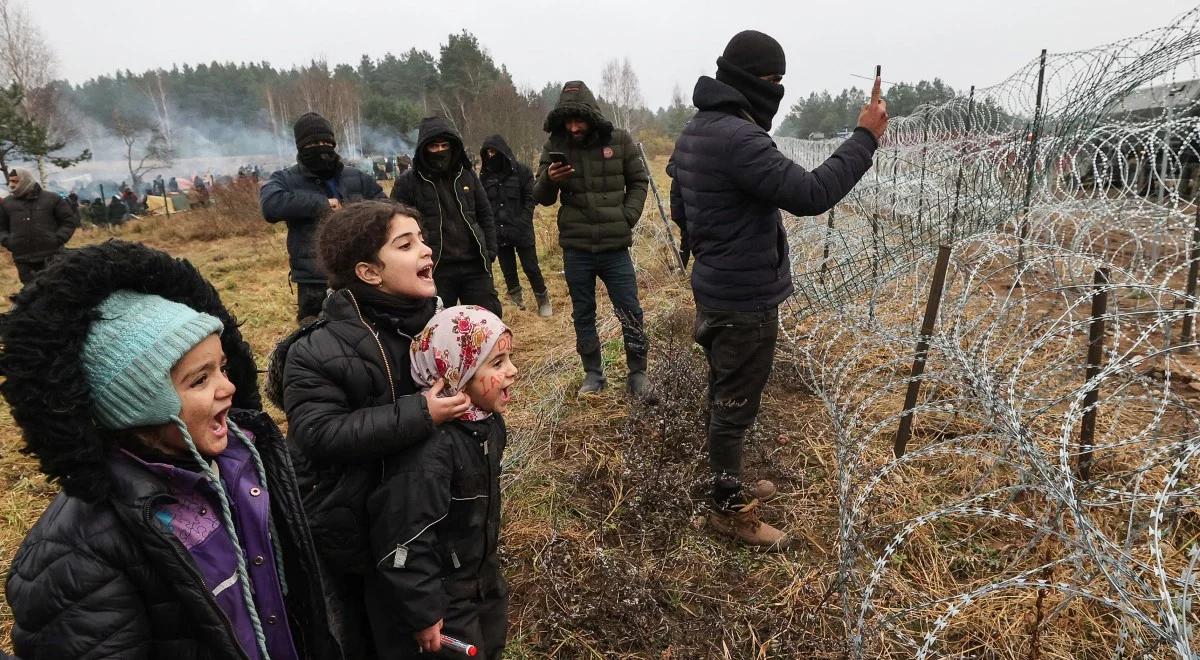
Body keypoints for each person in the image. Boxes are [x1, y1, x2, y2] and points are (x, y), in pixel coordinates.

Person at [0, 240, 340, 659]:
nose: (229, 387)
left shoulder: (246, 463)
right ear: (137, 404)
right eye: (199, 380)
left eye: (224, 368)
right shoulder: (78, 551)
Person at [669, 30, 888, 547]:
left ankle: (729, 483)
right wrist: (864, 138)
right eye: (772, 82)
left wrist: (716, 246)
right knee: (733, 406)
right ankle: (729, 511)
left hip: (719, 287)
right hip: (743, 300)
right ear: (751, 82)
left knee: (726, 395)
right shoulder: (739, 138)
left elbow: (682, 208)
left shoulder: (698, 129)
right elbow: (811, 194)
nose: (777, 91)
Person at [270, 200, 469, 659]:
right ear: (368, 272)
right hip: (346, 531)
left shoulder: (438, 327)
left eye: (421, 238)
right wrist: (421, 413)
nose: (426, 250)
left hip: (417, 520)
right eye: (406, 244)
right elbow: (319, 433)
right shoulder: (317, 349)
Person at [366, 305, 516, 658]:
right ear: (455, 373)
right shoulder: (430, 452)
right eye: (497, 364)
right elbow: (406, 536)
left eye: (509, 358)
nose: (512, 371)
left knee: (492, 645)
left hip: (482, 578)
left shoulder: (488, 424)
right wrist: (423, 612)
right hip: (444, 598)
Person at [533, 81, 651, 398]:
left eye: (579, 120)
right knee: (583, 313)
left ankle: (638, 373)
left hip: (615, 248)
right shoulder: (554, 146)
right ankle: (593, 374)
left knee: (630, 311)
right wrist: (549, 179)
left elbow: (639, 181)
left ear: (591, 115)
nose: (574, 127)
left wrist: (627, 216)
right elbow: (541, 198)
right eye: (568, 121)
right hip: (577, 248)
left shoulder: (620, 141)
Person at [261, 112, 386, 324]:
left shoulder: (357, 177)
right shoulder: (286, 179)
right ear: (301, 147)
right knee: (314, 337)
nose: (321, 148)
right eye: (313, 144)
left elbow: (387, 206)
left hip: (359, 273)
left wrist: (358, 212)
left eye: (326, 142)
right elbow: (270, 205)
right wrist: (322, 205)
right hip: (313, 281)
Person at [390, 117, 501, 317]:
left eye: (445, 145)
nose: (440, 151)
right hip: (435, 266)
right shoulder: (408, 182)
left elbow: (485, 214)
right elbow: (395, 226)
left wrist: (490, 250)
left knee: (487, 319)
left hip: (475, 264)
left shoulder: (467, 175)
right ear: (424, 149)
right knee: (437, 325)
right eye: (434, 146)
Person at [479, 134, 551, 317]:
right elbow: (483, 205)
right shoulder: (485, 177)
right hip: (499, 233)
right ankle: (517, 302)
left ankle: (543, 299)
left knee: (531, 267)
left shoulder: (522, 171)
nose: (491, 156)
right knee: (508, 270)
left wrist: (524, 221)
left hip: (522, 230)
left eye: (494, 151)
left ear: (503, 151)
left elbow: (530, 198)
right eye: (487, 152)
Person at [0, 168, 79, 284]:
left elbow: (68, 221)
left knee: (57, 288)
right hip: (23, 259)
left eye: (16, 181)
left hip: (52, 256)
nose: (11, 185)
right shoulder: (6, 204)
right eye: (10, 181)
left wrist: (58, 238)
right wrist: (9, 241)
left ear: (25, 180)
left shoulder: (52, 199)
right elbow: (1, 227)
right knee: (32, 293)